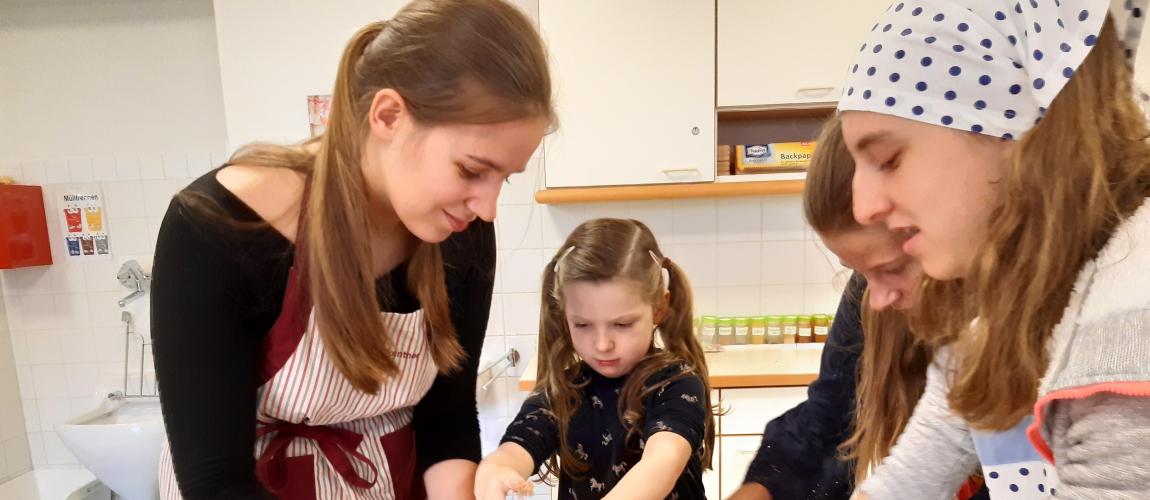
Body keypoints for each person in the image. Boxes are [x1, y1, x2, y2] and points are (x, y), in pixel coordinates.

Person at [150, 1, 553, 498]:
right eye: (472, 170)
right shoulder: (223, 227)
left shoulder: (459, 231)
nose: (487, 207)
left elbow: (445, 421)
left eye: (504, 178)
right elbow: (216, 482)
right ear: (388, 115)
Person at [839, 1, 1150, 497]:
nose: (863, 206)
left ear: (1023, 137)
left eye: (888, 158)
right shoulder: (1002, 325)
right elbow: (903, 484)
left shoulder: (1129, 325)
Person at [729, 118, 986, 500]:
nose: (877, 297)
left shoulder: (1026, 329)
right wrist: (760, 489)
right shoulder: (869, 298)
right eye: (860, 273)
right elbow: (830, 418)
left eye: (892, 269)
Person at [474, 218, 717, 500]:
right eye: (583, 325)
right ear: (564, 316)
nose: (602, 345)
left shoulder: (677, 383)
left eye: (622, 324)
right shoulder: (563, 391)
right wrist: (495, 471)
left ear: (659, 309)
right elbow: (513, 451)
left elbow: (662, 462)